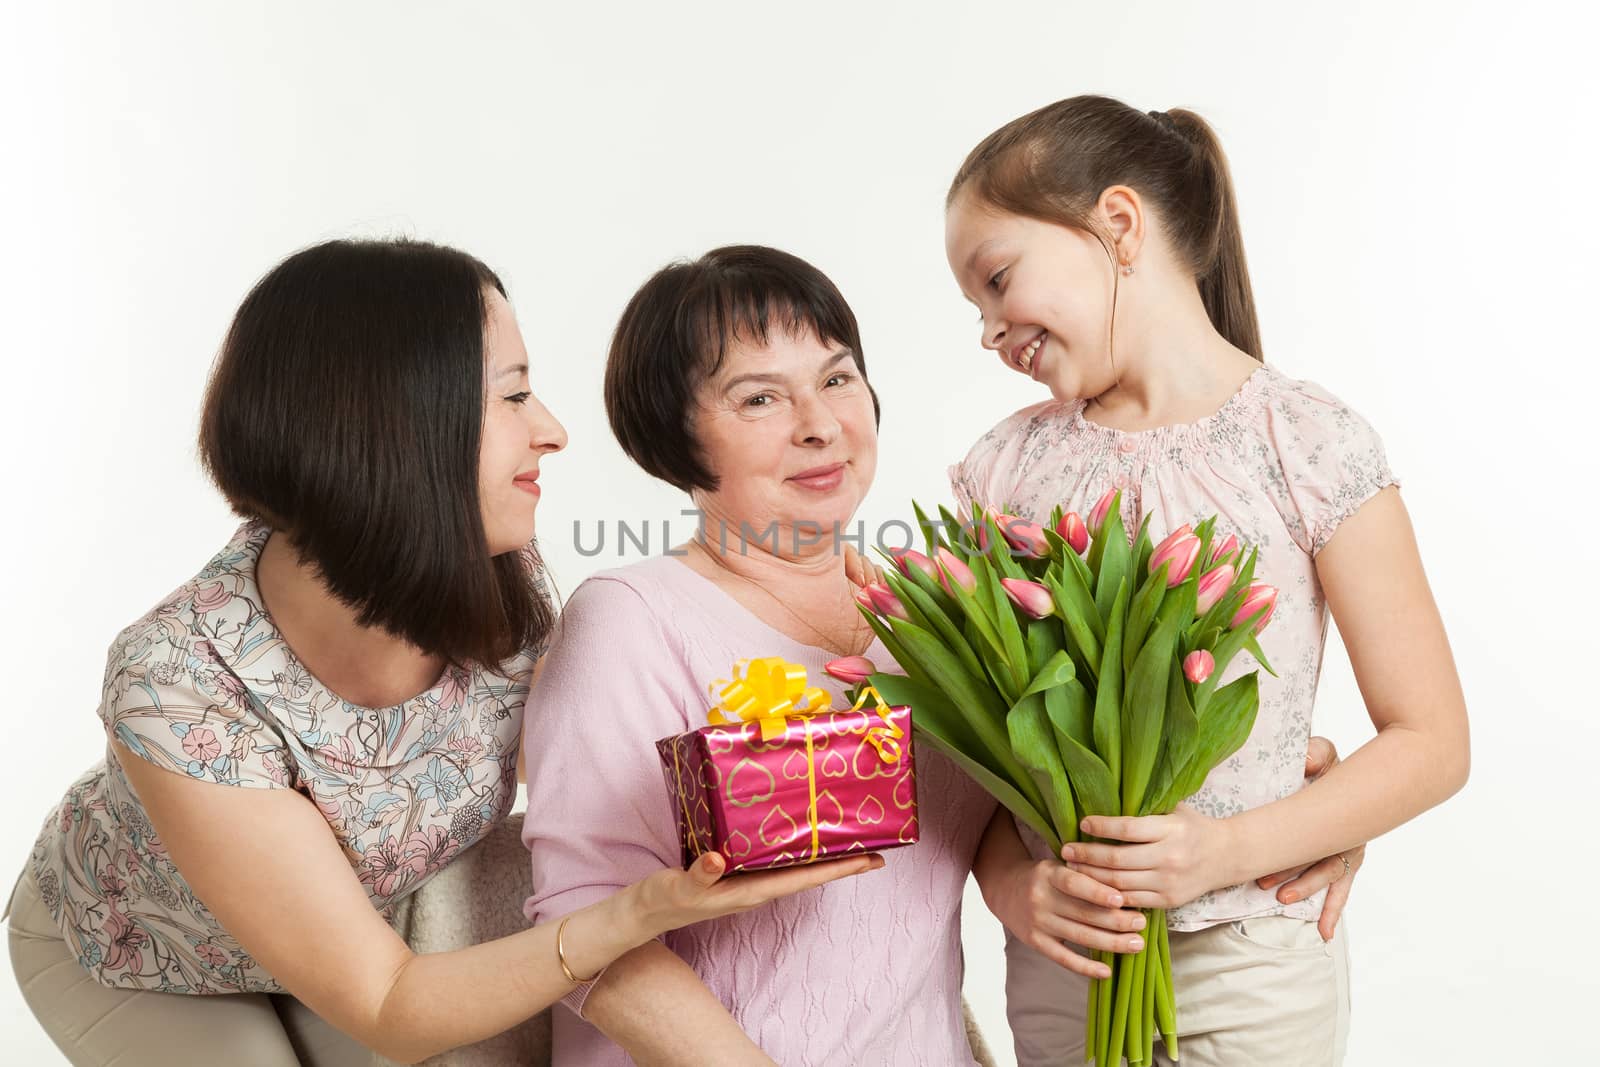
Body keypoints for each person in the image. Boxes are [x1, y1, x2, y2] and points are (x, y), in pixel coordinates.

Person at [7, 238, 879, 1067]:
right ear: (391, 426)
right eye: (511, 396)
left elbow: (586, 764)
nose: (552, 430)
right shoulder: (180, 684)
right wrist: (636, 911)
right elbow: (389, 1004)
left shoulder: (497, 573)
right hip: (149, 959)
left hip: (372, 932)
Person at [943, 95, 1471, 1065]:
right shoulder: (1002, 473)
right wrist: (1016, 887)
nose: (988, 330)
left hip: (1252, 955)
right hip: (1067, 966)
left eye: (998, 279)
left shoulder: (1306, 441)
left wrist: (1224, 850)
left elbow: (1431, 739)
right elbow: (976, 757)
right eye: (974, 308)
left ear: (1117, 223)